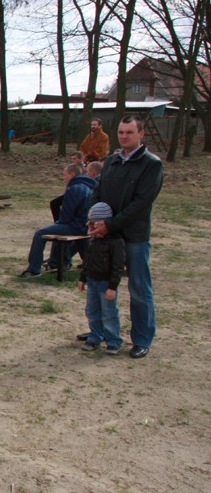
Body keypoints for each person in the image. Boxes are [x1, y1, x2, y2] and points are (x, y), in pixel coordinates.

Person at [88, 114, 163, 359]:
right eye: (121, 132)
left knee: (139, 288)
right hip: (106, 236)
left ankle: (141, 338)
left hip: (133, 236)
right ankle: (103, 332)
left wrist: (111, 225)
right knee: (100, 285)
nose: (124, 136)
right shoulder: (110, 162)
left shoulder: (151, 165)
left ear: (141, 134)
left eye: (129, 132)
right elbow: (97, 193)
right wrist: (95, 220)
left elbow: (140, 204)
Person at [19, 164, 96, 277]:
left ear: (72, 174)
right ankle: (63, 263)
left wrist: (58, 223)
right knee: (58, 230)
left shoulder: (74, 188)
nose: (63, 178)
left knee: (40, 233)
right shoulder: (89, 187)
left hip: (76, 226)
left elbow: (67, 214)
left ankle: (34, 269)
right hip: (85, 225)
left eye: (64, 175)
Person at [79, 202, 125, 355]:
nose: (92, 228)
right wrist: (82, 278)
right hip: (92, 281)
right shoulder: (92, 240)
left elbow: (118, 267)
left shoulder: (116, 242)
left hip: (106, 283)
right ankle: (95, 337)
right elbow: (87, 260)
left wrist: (112, 286)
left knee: (109, 313)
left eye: (95, 224)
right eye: (91, 224)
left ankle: (113, 341)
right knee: (92, 311)